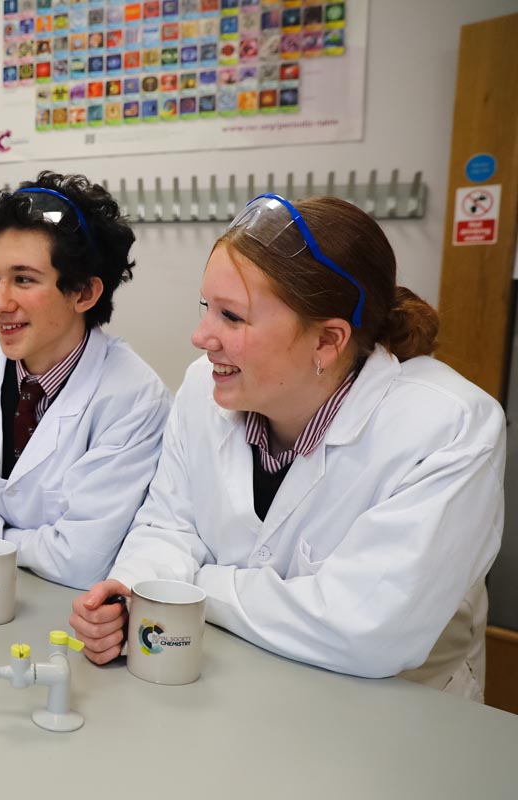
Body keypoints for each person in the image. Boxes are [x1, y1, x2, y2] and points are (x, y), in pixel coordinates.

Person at [70, 195, 503, 700]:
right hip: (234, 687)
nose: (200, 336)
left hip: (393, 715)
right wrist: (133, 589)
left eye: (232, 317)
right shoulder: (202, 390)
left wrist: (186, 593)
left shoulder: (446, 427)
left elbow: (367, 627)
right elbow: (170, 525)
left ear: (327, 340)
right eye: (206, 308)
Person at [0, 173, 171, 597]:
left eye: (23, 279)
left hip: (66, 610)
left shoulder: (133, 396)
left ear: (83, 293)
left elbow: (82, 558)